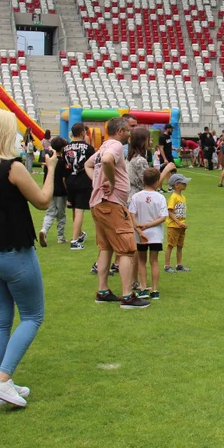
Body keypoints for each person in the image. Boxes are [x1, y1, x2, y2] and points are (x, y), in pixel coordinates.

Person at [0, 109, 58, 406]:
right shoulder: (12, 167)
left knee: (1, 321)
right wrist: (52, 169)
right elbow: (43, 201)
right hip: (13, 252)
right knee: (33, 316)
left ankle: (1, 386)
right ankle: (3, 378)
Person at [87, 116, 149, 309]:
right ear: (121, 130)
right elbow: (107, 161)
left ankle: (103, 291)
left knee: (105, 248)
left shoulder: (103, 146)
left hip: (98, 204)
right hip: (111, 204)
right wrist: (112, 184)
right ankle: (127, 296)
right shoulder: (113, 146)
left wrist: (97, 183)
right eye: (127, 130)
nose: (129, 134)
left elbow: (88, 165)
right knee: (127, 250)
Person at [129, 167, 169, 300]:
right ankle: (155, 289)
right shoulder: (160, 197)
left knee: (141, 260)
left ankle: (143, 287)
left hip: (141, 235)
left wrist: (140, 230)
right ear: (157, 181)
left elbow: (132, 215)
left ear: (143, 180)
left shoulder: (136, 197)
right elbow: (163, 217)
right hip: (155, 235)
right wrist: (150, 225)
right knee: (154, 261)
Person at [62, 123, 94, 250]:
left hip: (70, 180)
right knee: (80, 209)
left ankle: (78, 234)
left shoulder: (66, 148)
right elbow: (93, 164)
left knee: (75, 208)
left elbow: (65, 166)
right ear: (82, 133)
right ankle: (74, 240)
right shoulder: (89, 148)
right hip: (83, 180)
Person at [38, 135, 69, 247]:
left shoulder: (49, 162)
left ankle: (44, 230)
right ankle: (61, 237)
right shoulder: (62, 162)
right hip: (61, 192)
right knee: (61, 215)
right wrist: (68, 193)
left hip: (50, 191)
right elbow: (64, 179)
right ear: (62, 148)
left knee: (50, 213)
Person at [128, 127, 173, 197]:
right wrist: (166, 169)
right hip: (139, 200)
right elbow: (151, 186)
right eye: (149, 139)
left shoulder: (134, 157)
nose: (151, 142)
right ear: (142, 141)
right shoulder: (140, 161)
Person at [164, 173, 191, 274]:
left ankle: (179, 264)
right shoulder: (173, 197)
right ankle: (167, 265)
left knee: (180, 246)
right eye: (184, 183)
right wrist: (178, 222)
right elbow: (170, 212)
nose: (186, 185)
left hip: (181, 226)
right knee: (171, 245)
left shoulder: (182, 197)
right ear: (177, 185)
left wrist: (182, 224)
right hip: (173, 226)